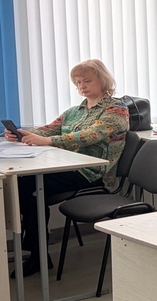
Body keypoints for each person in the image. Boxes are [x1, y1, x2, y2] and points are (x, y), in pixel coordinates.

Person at [4, 59, 128, 277]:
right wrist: (22, 134)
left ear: (102, 80)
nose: (82, 86)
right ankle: (37, 252)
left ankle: (37, 254)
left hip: (92, 173)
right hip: (69, 167)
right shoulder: (74, 111)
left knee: (29, 189)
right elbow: (49, 129)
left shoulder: (116, 109)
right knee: (23, 186)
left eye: (87, 81)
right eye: (78, 82)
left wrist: (49, 141)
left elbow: (91, 135)